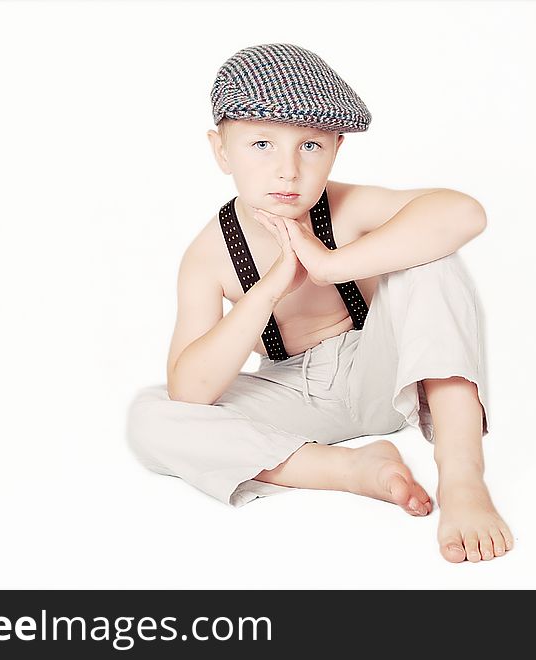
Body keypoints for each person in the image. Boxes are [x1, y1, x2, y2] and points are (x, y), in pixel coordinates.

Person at [127, 43, 514, 563]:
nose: (287, 170)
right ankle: (349, 470)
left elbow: (463, 213)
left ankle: (462, 477)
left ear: (335, 150)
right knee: (150, 416)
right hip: (294, 398)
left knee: (433, 256)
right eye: (261, 143)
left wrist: (331, 264)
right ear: (221, 150)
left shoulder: (347, 208)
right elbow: (190, 388)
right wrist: (266, 290)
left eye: (310, 146)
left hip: (381, 374)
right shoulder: (209, 254)